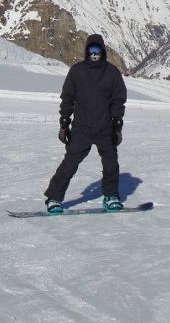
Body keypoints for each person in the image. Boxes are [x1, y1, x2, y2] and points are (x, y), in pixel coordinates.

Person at [43, 34, 127, 214]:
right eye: (91, 50)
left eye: (97, 50)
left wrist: (117, 124)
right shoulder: (77, 71)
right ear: (86, 51)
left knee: (111, 163)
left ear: (103, 51)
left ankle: (111, 196)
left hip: (105, 127)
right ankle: (54, 198)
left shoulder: (112, 73)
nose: (94, 53)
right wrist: (64, 122)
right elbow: (68, 98)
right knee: (70, 163)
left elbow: (118, 100)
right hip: (82, 127)